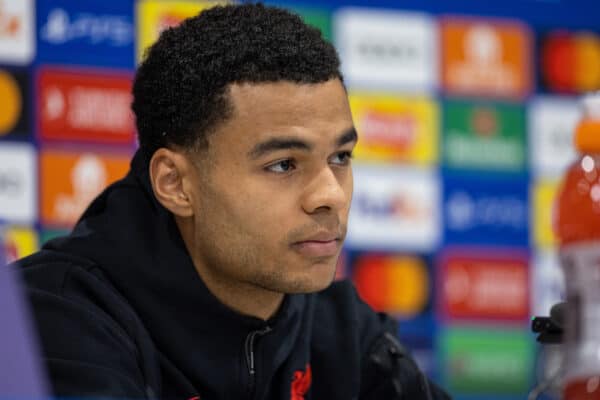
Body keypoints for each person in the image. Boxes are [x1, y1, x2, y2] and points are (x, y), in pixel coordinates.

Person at [13, 4, 450, 399]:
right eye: (283, 164)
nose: (331, 196)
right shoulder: (44, 320)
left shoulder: (339, 328)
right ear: (176, 184)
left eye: (339, 157)